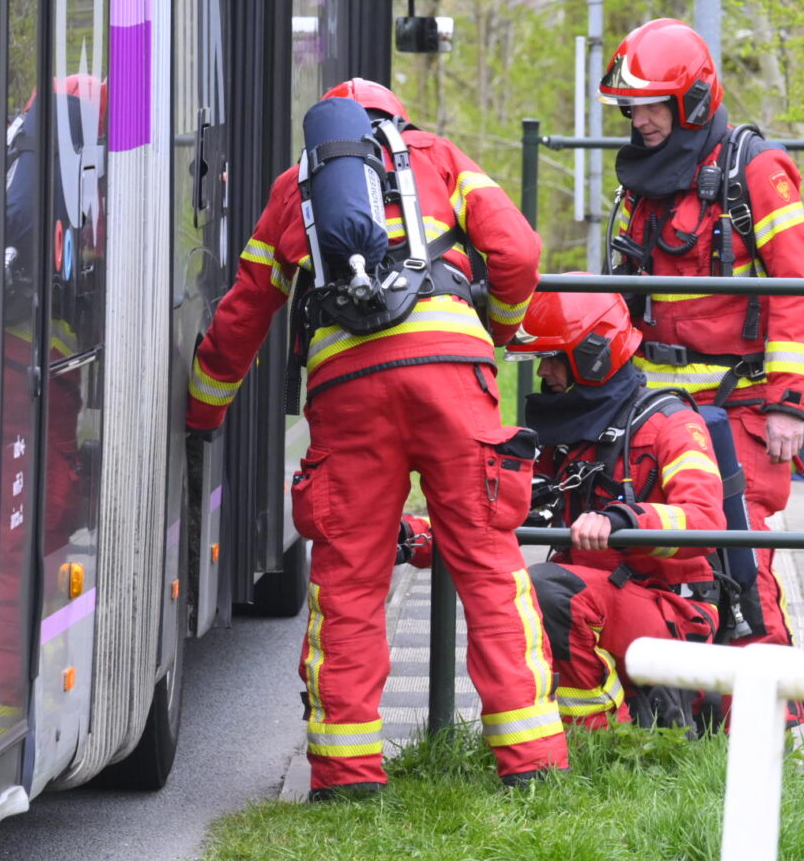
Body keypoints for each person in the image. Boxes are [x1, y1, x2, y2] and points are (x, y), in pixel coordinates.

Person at [185, 79, 562, 799]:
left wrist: (204, 410)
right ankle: (533, 762)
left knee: (351, 577)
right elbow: (517, 251)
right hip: (453, 375)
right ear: (396, 121)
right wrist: (501, 330)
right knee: (488, 561)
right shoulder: (440, 157)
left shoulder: (293, 191)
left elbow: (243, 316)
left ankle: (347, 772)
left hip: (347, 388)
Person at [600, 18, 804, 723]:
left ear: (692, 100)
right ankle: (682, 718)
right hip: (659, 405)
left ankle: (781, 727)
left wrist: (789, 400)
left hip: (743, 408)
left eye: (652, 106)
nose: (639, 121)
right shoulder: (644, 182)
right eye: (631, 109)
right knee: (656, 553)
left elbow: (797, 283)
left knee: (740, 567)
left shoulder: (754, 171)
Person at [402, 290, 727, 729]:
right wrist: (414, 537)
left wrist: (624, 520)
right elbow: (492, 517)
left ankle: (606, 738)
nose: (543, 371)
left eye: (554, 357)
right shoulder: (571, 435)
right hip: (603, 600)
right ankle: (600, 732)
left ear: (593, 355)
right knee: (529, 592)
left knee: (548, 590)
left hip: (672, 610)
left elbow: (705, 521)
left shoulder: (673, 425)